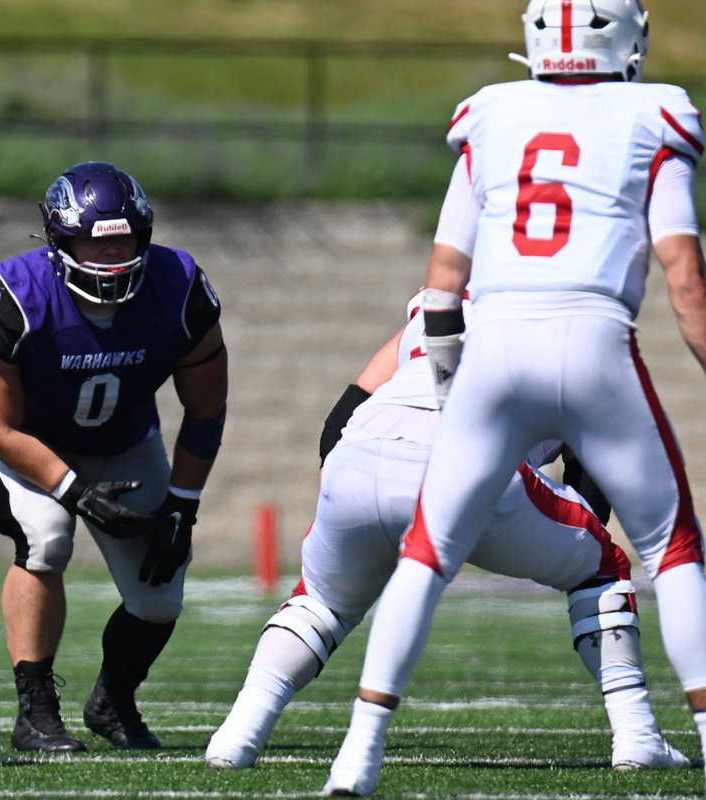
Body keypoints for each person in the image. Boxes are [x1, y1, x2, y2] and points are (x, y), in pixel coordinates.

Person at [324, 1, 706, 794]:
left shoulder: (490, 115)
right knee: (671, 550)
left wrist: (463, 396)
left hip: (493, 348)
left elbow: (440, 289)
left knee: (426, 554)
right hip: (598, 340)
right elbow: (683, 277)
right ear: (628, 38)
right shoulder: (656, 112)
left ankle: (356, 757)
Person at [204, 289, 689, 771]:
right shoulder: (574, 324)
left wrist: (355, 512)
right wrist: (570, 545)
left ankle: (240, 732)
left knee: (321, 601)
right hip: (468, 459)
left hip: (362, 447)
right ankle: (637, 735)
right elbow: (593, 471)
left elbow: (336, 426)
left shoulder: (430, 309)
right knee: (601, 568)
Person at [0, 161, 228, 751]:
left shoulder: (179, 287)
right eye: (92, 242)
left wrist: (183, 506)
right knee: (46, 542)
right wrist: (75, 492)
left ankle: (113, 699)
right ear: (58, 241)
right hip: (33, 445)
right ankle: (35, 711)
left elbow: (206, 409)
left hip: (126, 441)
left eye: (124, 241)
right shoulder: (15, 297)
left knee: (159, 597)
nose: (111, 259)